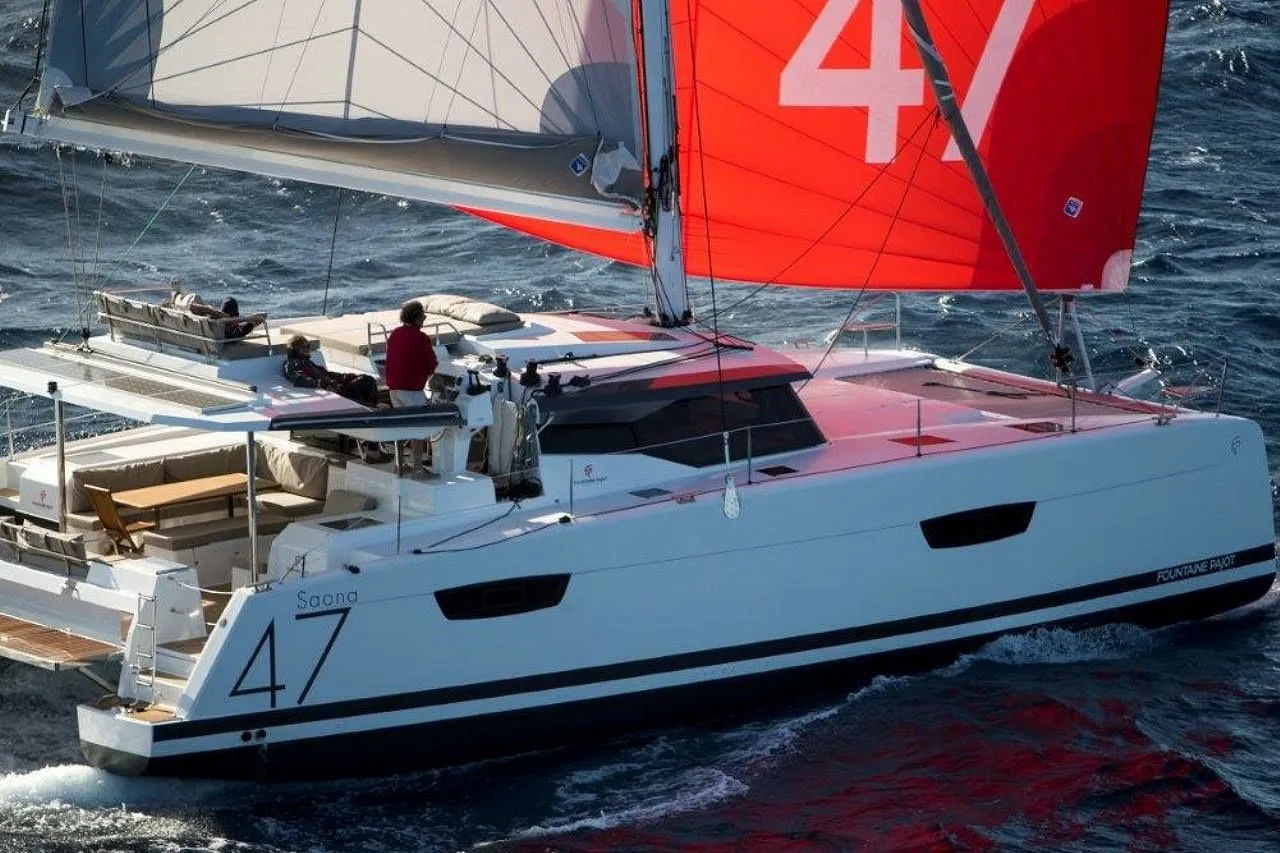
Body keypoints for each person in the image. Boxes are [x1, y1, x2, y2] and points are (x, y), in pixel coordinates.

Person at [282, 335, 390, 463]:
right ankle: (372, 446)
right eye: (303, 347)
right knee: (368, 384)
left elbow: (327, 375)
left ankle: (371, 421)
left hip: (337, 389)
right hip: (333, 395)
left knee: (367, 381)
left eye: (308, 346)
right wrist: (323, 385)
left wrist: (347, 377)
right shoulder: (293, 364)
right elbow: (299, 379)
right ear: (295, 350)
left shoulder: (307, 363)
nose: (307, 349)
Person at [385, 300, 439, 474]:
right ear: (417, 318)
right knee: (417, 429)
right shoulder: (421, 338)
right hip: (412, 390)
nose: (424, 319)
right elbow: (431, 364)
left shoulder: (395, 334)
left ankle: (399, 464)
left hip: (394, 388)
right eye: (423, 316)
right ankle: (418, 467)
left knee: (400, 427)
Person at [173, 291, 267, 339]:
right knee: (194, 299)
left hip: (191, 306)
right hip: (195, 306)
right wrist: (228, 318)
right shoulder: (221, 323)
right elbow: (192, 306)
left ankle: (177, 296)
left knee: (192, 299)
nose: (230, 326)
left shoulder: (217, 325)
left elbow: (263, 315)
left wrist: (233, 319)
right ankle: (177, 296)